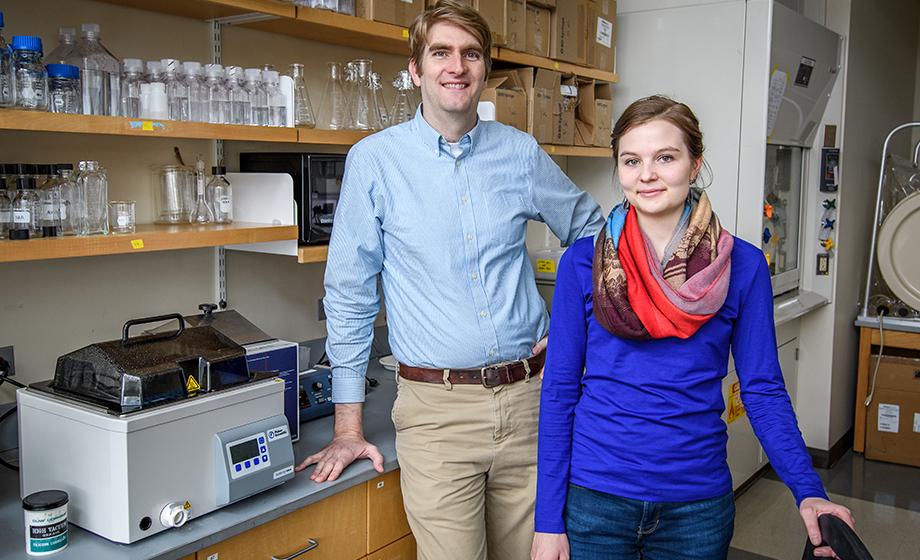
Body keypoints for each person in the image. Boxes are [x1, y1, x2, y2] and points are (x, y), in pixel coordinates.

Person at [295, 2, 604, 559]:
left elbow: (595, 233)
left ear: (485, 69)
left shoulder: (520, 153)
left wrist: (574, 329)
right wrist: (347, 427)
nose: (456, 66)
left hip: (534, 404)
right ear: (416, 69)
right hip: (436, 416)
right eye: (441, 52)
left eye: (471, 54)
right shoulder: (376, 162)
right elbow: (349, 295)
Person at [531, 95, 855, 560]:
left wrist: (809, 490)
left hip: (696, 506)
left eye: (665, 157)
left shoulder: (742, 265)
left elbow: (762, 389)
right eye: (631, 160)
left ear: (694, 164)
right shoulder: (583, 265)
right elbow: (559, 391)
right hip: (595, 498)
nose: (647, 174)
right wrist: (547, 521)